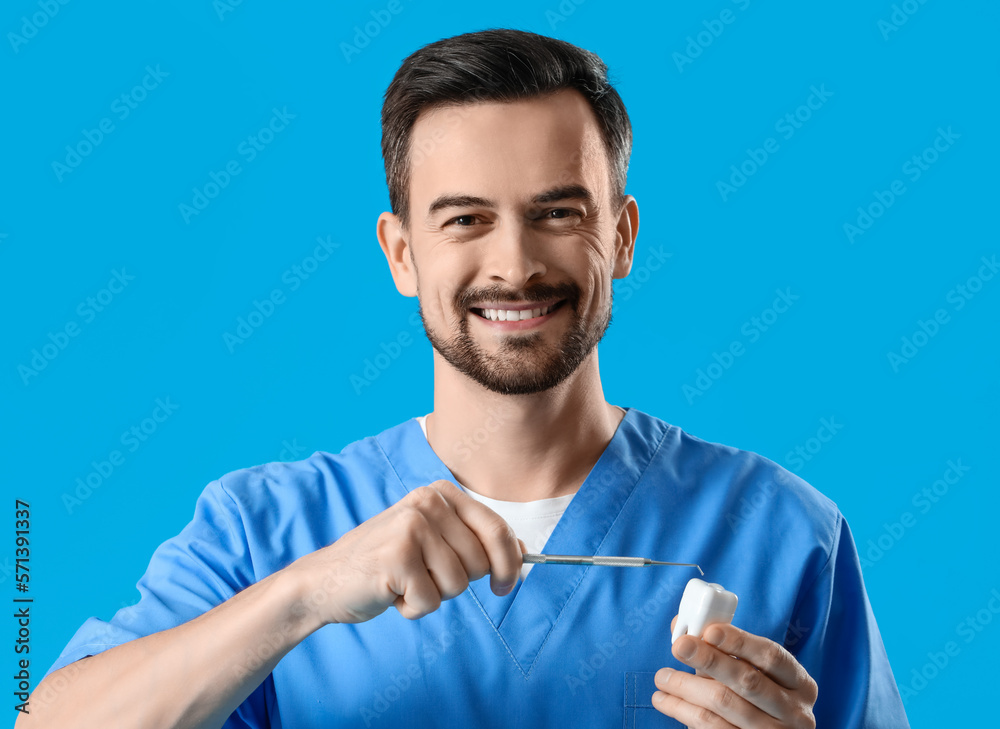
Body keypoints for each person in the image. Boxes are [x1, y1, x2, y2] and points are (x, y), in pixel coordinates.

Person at [24, 28, 910, 728]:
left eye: (557, 213)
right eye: (465, 220)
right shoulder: (267, 535)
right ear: (403, 253)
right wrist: (301, 598)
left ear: (625, 236)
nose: (514, 264)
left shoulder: (785, 534)